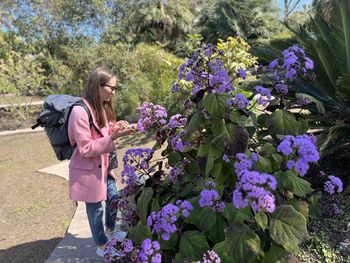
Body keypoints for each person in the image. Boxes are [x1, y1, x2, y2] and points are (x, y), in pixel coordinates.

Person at [67, 65, 135, 257]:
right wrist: (113, 138)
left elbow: (102, 131)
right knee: (95, 208)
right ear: (98, 85)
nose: (113, 92)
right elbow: (86, 148)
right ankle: (102, 246)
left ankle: (111, 232)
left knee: (114, 198)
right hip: (88, 169)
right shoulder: (79, 112)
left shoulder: (101, 107)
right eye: (111, 88)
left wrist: (115, 128)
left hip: (103, 166)